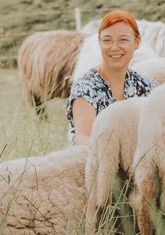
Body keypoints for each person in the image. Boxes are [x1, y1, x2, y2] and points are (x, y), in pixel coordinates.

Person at [66, 8, 156, 145]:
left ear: (137, 42)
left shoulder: (145, 86)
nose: (114, 47)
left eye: (123, 40)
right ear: (99, 42)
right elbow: (83, 140)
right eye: (107, 40)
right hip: (93, 162)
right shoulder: (86, 89)